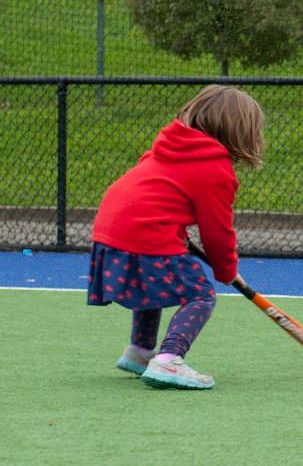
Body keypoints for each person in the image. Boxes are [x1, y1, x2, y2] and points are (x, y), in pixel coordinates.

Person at [87, 85, 265, 390]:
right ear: (241, 132)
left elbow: (155, 193)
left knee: (150, 290)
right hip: (145, 235)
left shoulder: (169, 146)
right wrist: (226, 270)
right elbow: (217, 231)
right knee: (200, 295)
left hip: (110, 232)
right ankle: (169, 359)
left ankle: (140, 352)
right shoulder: (215, 169)